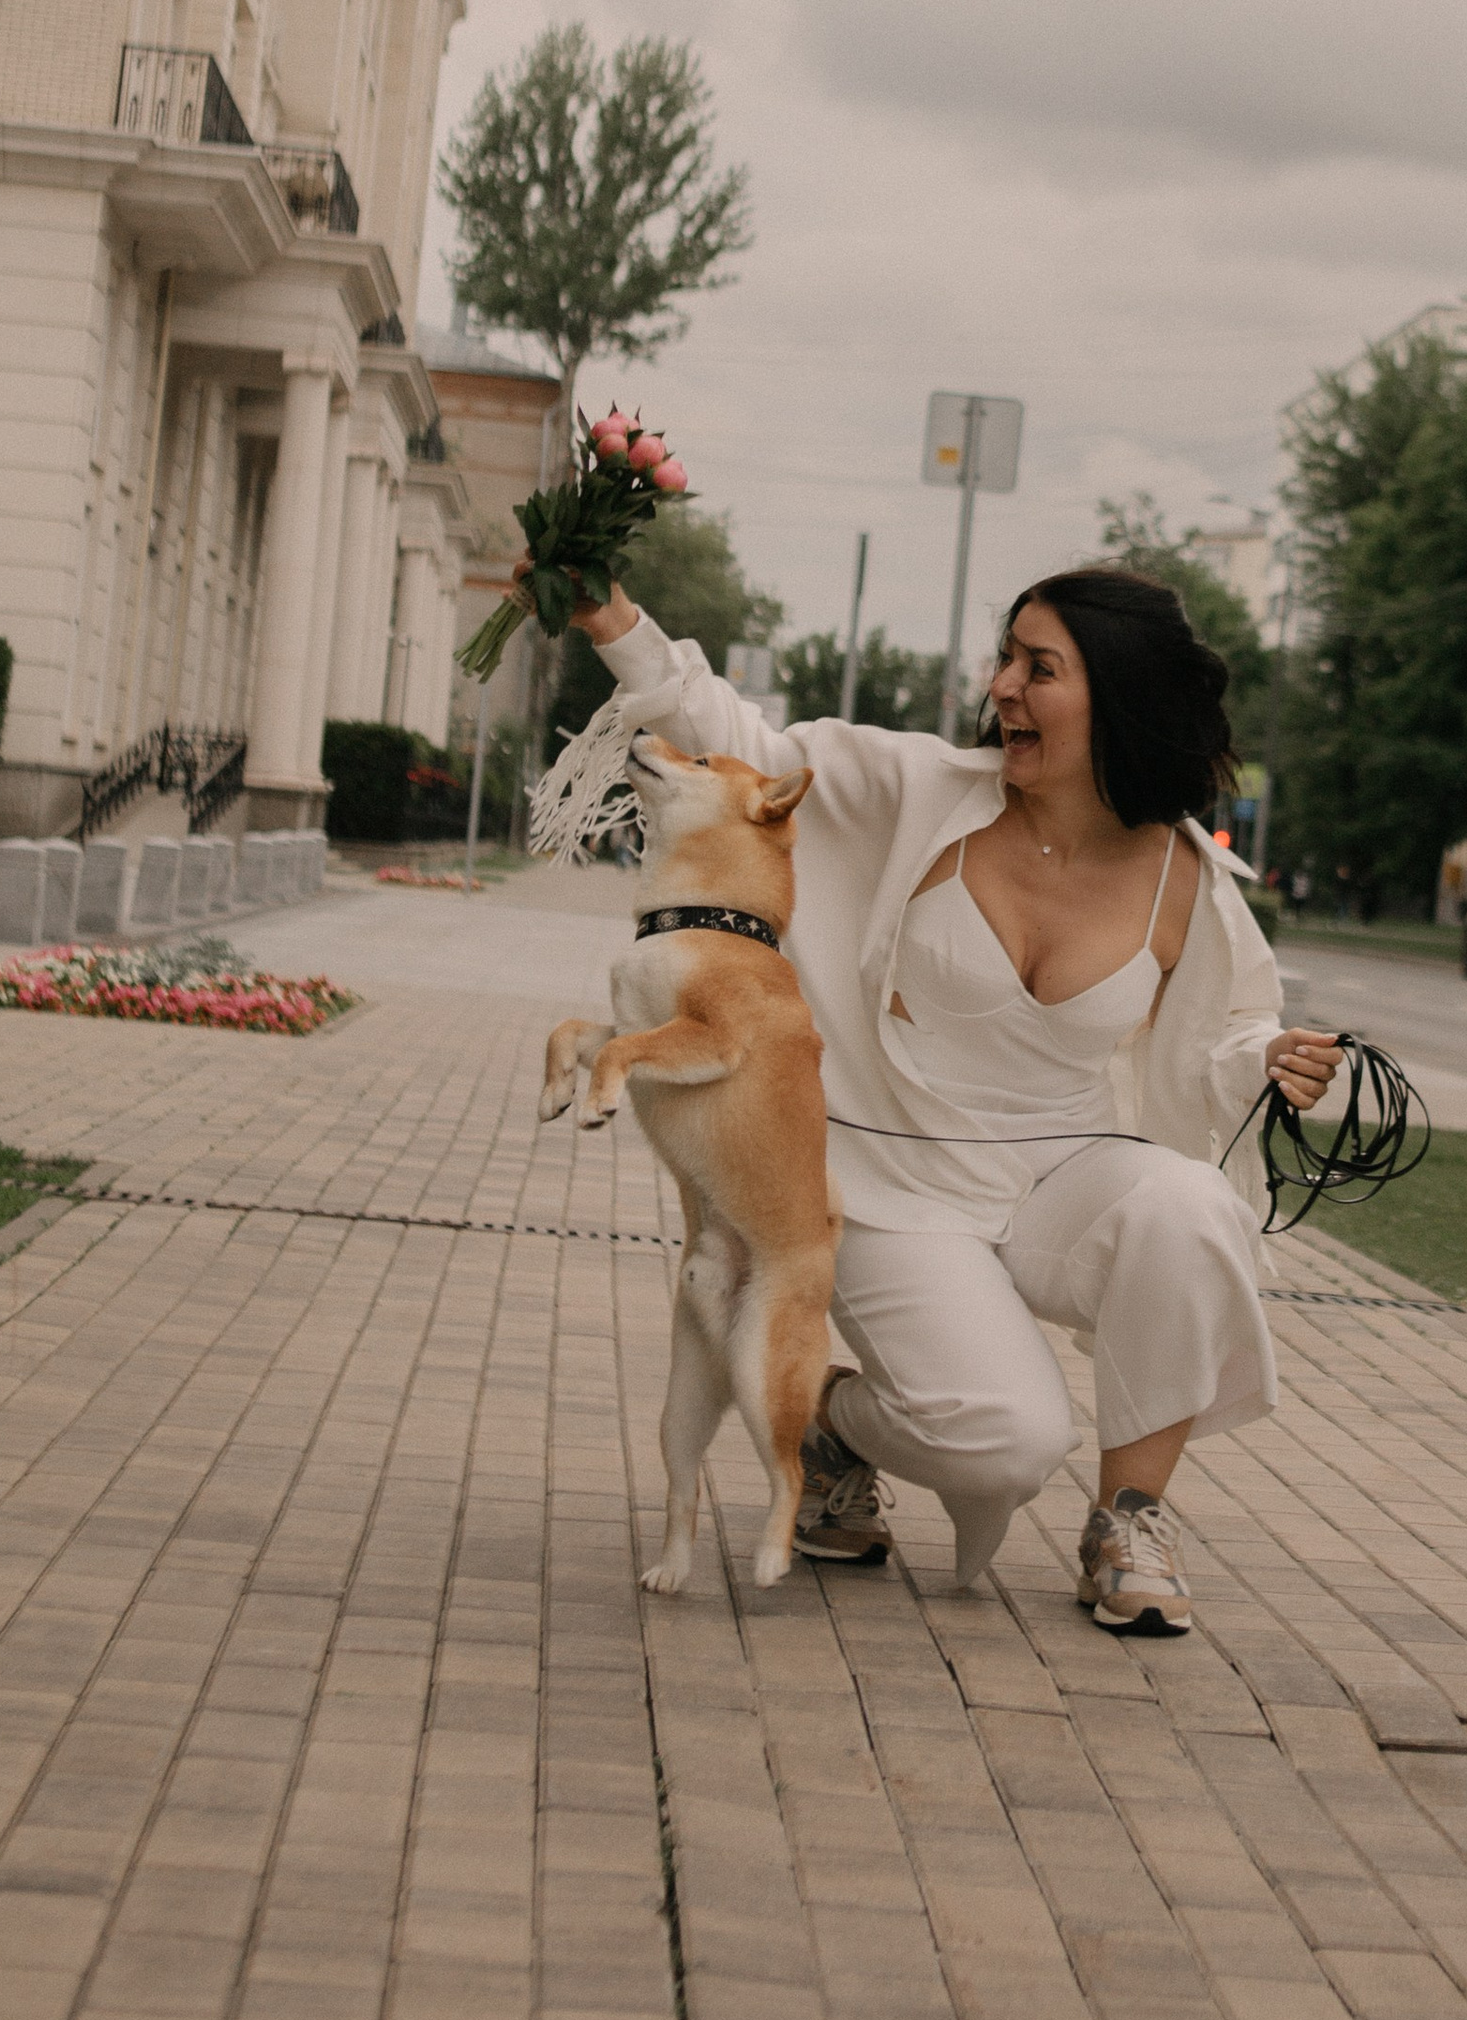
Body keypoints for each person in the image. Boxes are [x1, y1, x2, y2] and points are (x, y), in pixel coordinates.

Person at [564, 557, 1343, 1630]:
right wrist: (615, 620)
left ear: (1113, 695)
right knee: (1004, 1445)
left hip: (1065, 1168)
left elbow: (1229, 1024)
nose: (1003, 687)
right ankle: (831, 1420)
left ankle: (1130, 1520)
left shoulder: (1183, 874)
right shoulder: (912, 790)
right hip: (890, 1175)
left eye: (1040, 667)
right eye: (1006, 658)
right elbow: (738, 741)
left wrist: (1272, 1059)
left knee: (1189, 1206)